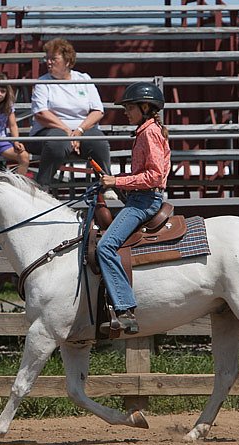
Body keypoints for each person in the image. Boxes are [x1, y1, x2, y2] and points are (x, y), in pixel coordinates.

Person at [96, 82, 170, 334]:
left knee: (105, 246)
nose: (125, 111)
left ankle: (125, 308)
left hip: (144, 201)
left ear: (145, 106)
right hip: (140, 197)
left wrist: (117, 181)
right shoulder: (146, 130)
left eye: (129, 107)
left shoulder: (148, 133)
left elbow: (155, 176)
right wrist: (120, 180)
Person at [27, 38, 110, 189]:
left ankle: (107, 185)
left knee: (99, 142)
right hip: (50, 131)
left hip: (83, 130)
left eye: (54, 59)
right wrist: (68, 131)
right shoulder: (42, 82)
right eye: (47, 58)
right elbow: (41, 114)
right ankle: (42, 187)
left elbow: (98, 111)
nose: (49, 62)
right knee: (57, 142)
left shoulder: (84, 79)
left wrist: (79, 131)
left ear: (67, 61)